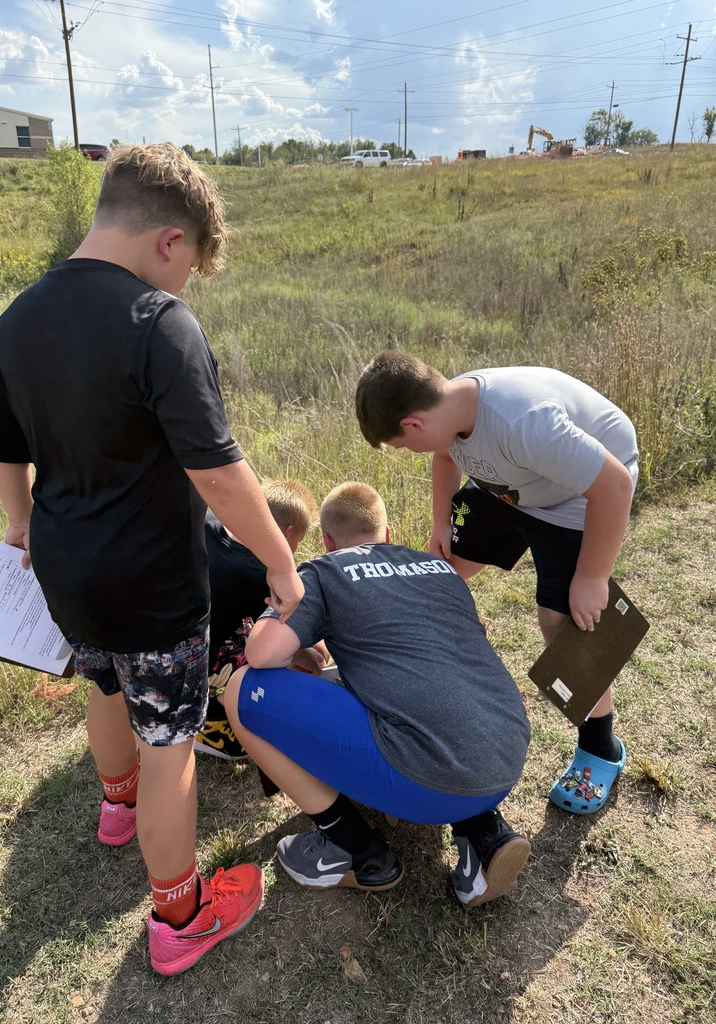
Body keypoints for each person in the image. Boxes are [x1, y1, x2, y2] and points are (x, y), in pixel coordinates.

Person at [0, 143, 304, 977]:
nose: (185, 283)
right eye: (190, 263)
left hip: (63, 566)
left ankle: (116, 811)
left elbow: (0, 450)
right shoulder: (161, 322)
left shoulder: (16, 319)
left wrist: (18, 522)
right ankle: (180, 915)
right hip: (152, 580)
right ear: (169, 238)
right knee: (172, 741)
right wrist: (280, 562)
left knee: (104, 684)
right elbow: (220, 476)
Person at [221, 482, 532, 908]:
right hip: (507, 753)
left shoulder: (324, 571)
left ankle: (352, 847)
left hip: (429, 777)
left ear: (328, 541)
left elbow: (260, 653)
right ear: (387, 533)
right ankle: (482, 833)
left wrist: (286, 618)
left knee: (241, 690)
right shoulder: (439, 567)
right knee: (420, 689)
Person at [355, 350, 639, 815]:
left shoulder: (525, 423)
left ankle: (600, 747)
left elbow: (613, 486)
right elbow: (446, 456)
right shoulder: (449, 408)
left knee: (564, 623)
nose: (410, 452)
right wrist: (441, 523)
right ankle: (414, 666)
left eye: (404, 445)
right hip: (510, 488)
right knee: (439, 571)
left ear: (412, 425)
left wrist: (592, 578)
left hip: (578, 499)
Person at [196, 479, 318, 761]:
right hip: (193, 659)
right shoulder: (259, 573)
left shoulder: (212, 518)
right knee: (268, 653)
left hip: (160, 635)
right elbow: (276, 639)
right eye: (297, 543)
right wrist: (303, 654)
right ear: (287, 534)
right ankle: (207, 718)